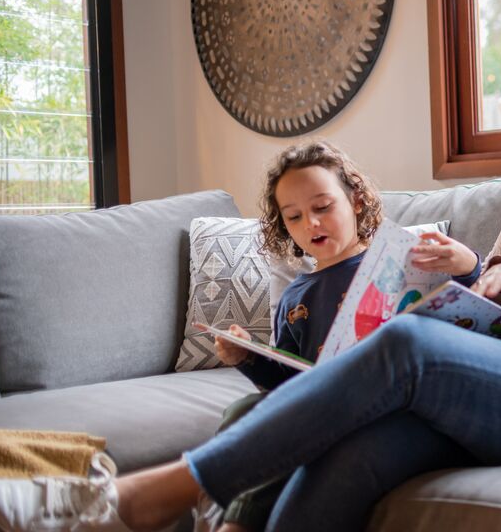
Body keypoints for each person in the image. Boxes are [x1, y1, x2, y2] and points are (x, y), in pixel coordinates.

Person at [0, 36, 501, 532]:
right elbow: (500, 290)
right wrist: (490, 273)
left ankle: (150, 495)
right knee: (359, 448)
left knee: (409, 346)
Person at [203, 141, 482, 532]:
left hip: (392, 408)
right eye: (294, 216)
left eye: (322, 207)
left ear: (356, 201)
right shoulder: (295, 297)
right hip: (321, 410)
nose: (311, 224)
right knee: (243, 411)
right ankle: (238, 520)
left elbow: (470, 304)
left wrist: (468, 266)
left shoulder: (399, 261)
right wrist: (247, 358)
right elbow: (286, 382)